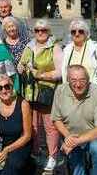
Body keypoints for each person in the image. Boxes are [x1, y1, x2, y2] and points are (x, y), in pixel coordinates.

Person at [18, 19, 62, 171]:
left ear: (48, 31)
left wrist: (41, 75)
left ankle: (52, 156)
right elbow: (20, 65)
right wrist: (21, 67)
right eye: (37, 30)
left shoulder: (54, 47)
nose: (40, 33)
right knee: (34, 125)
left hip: (47, 92)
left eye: (43, 30)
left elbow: (60, 72)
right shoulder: (29, 46)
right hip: (30, 92)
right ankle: (37, 153)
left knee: (50, 126)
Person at [51, 65, 97, 175]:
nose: (78, 85)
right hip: (71, 135)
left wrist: (76, 142)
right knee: (76, 163)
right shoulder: (60, 90)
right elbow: (56, 119)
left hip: (92, 136)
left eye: (82, 80)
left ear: (88, 80)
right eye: (74, 80)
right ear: (68, 80)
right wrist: (68, 137)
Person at [0, 75, 32, 174]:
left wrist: (8, 149)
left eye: (7, 87)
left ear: (12, 88)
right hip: (0, 146)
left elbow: (27, 136)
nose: (4, 91)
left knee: (10, 168)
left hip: (19, 145)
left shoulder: (23, 104)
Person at [61, 19, 97, 102]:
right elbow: (63, 73)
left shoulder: (96, 48)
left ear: (86, 33)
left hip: (91, 93)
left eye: (81, 31)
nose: (77, 34)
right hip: (71, 94)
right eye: (73, 32)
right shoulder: (67, 50)